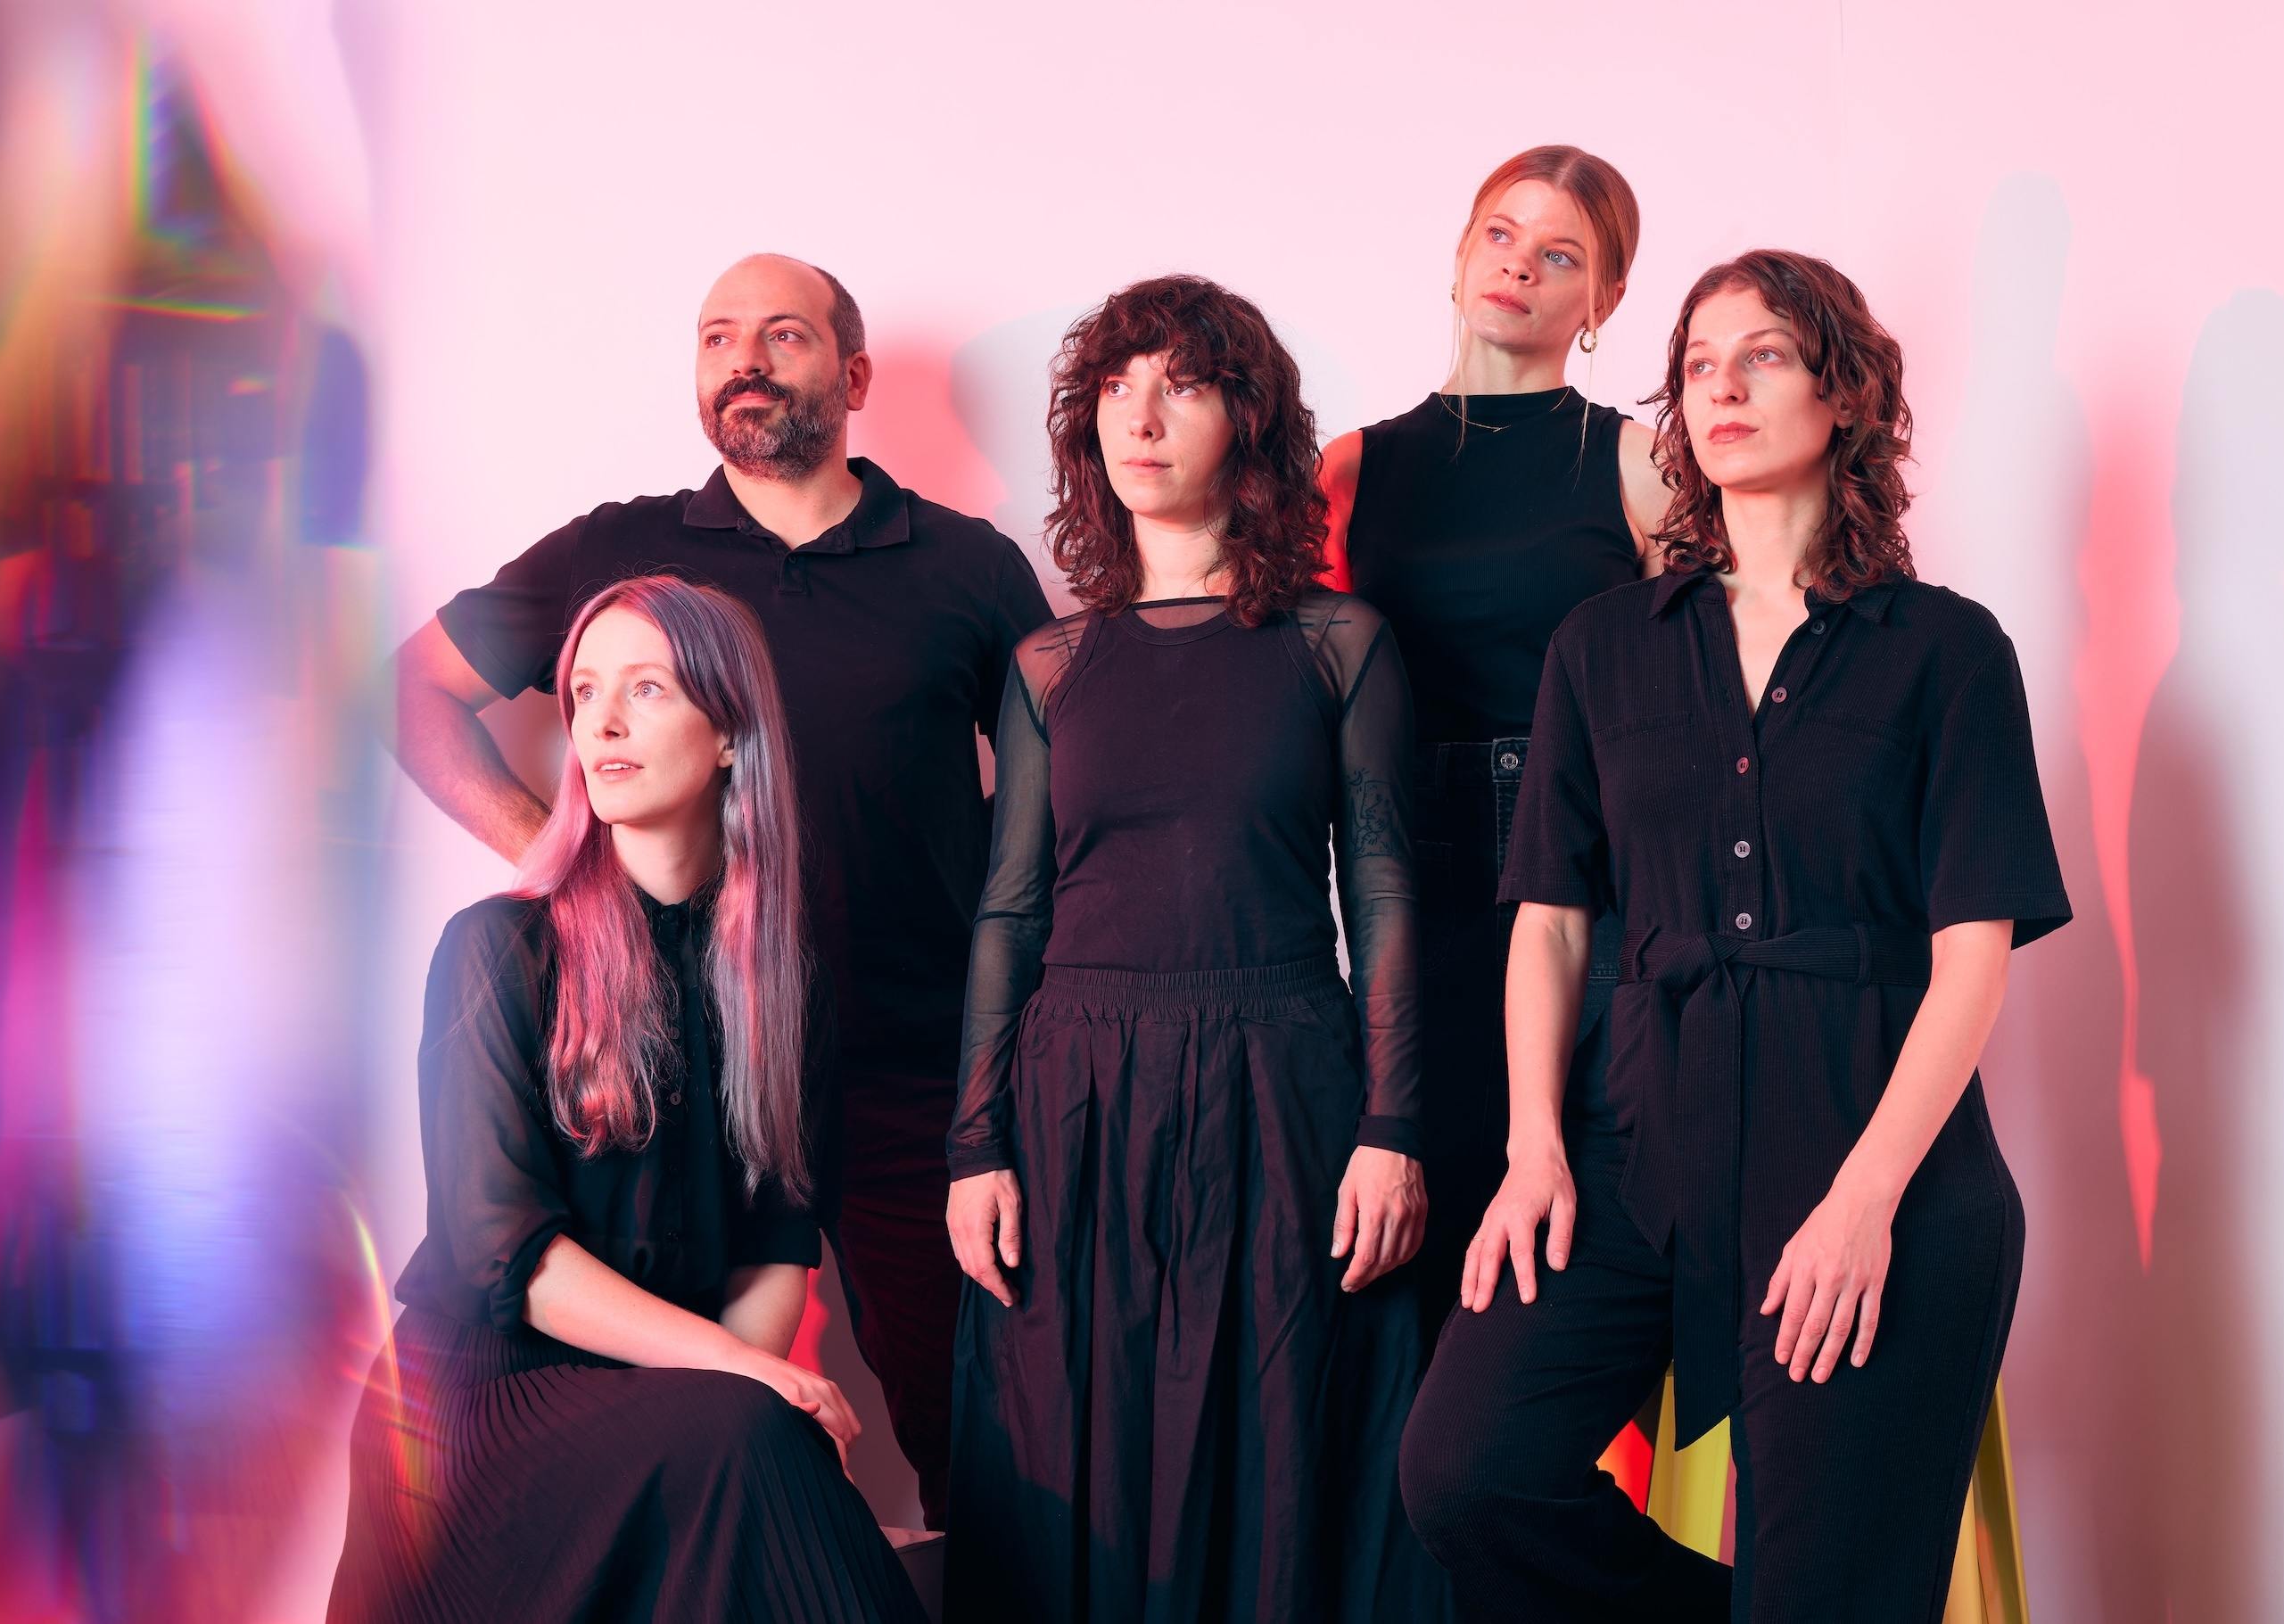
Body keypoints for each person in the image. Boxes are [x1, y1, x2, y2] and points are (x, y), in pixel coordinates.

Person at [1399, 250, 2072, 1620]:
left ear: (1841, 394)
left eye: (1759, 355)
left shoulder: (1945, 651)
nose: (1719, 385)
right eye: (1697, 363)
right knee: (1463, 1472)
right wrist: (1534, 1146)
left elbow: (1968, 959)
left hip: (1876, 1163)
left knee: (1828, 1581)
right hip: (1636, 1147)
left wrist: (1863, 1200)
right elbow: (1547, 926)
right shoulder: (1602, 643)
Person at [386, 254, 1051, 1522]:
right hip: (700, 1065)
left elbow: (1051, 806)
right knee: (699, 1419)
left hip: (921, 1065)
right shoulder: (623, 547)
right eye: (715, 338)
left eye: (782, 335)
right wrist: (559, 859)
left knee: (986, 1433)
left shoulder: (966, 567)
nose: (743, 359)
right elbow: (408, 690)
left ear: (849, 377)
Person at [943, 276, 1444, 1621]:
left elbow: (1387, 889)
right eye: (1115, 389)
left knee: (1284, 1446)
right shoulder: (1051, 662)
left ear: (1250, 419)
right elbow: (1009, 909)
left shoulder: (1337, 644)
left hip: (1281, 1081)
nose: (1141, 417)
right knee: (1070, 1460)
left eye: (1181, 384)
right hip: (1071, 1097)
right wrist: (974, 1144)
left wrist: (1395, 1125)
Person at [332, 575, 925, 1623]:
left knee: (757, 1437)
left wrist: (746, 1382)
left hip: (666, 1399)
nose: (600, 722)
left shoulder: (785, 989)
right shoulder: (496, 950)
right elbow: (512, 1261)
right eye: (586, 691)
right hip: (481, 1404)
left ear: (732, 734)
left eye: (645, 689)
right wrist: (744, 1377)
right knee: (752, 1430)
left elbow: (777, 1249)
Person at [1320, 144, 1667, 1339]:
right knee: (1426, 1252)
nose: (1518, 267)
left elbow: (1701, 693)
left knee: (1577, 1246)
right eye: (1499, 238)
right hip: (1415, 887)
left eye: (1558, 255)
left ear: (1601, 302)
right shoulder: (1356, 468)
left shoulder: (1630, 462)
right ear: (1458, 258)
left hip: (1590, 890)